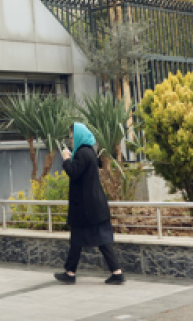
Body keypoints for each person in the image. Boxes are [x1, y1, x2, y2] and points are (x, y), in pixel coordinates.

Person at [55, 121, 125, 285]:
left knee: (98, 240)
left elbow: (74, 172)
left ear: (79, 136)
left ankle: (116, 272)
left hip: (87, 207)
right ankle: (70, 272)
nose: (70, 140)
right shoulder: (88, 152)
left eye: (72, 137)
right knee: (79, 240)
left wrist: (66, 159)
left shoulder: (83, 153)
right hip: (90, 206)